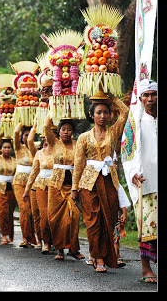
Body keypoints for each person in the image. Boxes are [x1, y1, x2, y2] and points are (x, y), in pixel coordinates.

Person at [71, 90, 129, 272]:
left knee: (108, 220)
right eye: (98, 112)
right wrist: (74, 188)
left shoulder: (114, 132)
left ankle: (105, 255)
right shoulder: (83, 138)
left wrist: (110, 95)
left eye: (106, 112)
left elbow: (125, 111)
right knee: (93, 221)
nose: (103, 116)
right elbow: (78, 164)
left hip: (109, 181)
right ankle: (98, 258)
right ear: (91, 115)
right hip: (89, 183)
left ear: (110, 114)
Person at [122, 79, 157, 283]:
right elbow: (126, 150)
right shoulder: (134, 121)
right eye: (146, 95)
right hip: (145, 182)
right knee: (147, 227)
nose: (151, 99)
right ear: (141, 98)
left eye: (154, 94)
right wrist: (133, 172)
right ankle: (146, 270)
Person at [44, 114, 84, 260]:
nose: (66, 132)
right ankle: (60, 249)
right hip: (55, 185)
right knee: (55, 218)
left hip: (72, 185)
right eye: (63, 129)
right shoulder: (53, 143)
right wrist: (52, 108)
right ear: (59, 132)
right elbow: (46, 126)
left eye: (69, 129)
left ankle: (74, 249)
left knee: (74, 215)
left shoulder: (77, 144)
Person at [23, 138, 54, 253]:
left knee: (55, 216)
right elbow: (34, 172)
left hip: (57, 185)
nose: (49, 143)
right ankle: (45, 241)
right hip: (41, 186)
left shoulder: (61, 151)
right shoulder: (39, 153)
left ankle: (56, 243)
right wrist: (27, 189)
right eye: (45, 142)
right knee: (43, 216)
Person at [13, 122, 37, 247]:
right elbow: (16, 133)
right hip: (19, 183)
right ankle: (25, 238)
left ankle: (34, 238)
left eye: (30, 135)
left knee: (33, 211)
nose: (27, 138)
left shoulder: (36, 148)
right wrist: (23, 120)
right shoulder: (18, 148)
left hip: (32, 183)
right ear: (22, 138)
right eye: (25, 135)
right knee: (24, 209)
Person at [0, 134, 17, 245]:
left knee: (10, 212)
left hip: (11, 188)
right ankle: (4, 236)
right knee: (2, 212)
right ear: (0, 149)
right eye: (4, 147)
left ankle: (10, 234)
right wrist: (0, 135)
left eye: (9, 147)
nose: (7, 149)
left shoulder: (15, 160)